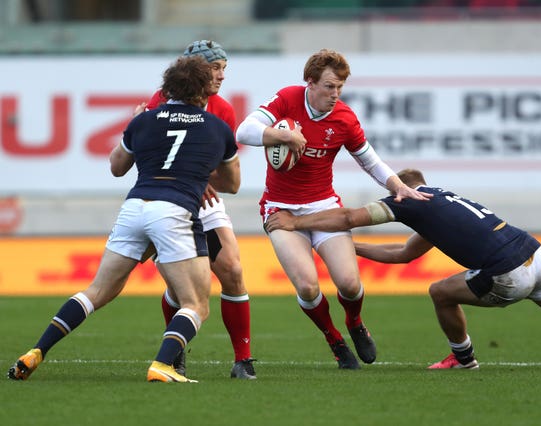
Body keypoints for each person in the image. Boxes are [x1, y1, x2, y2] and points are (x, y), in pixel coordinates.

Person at [7, 55, 241, 383]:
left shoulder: (142, 121)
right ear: (204, 92)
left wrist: (133, 125)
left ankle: (37, 350)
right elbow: (231, 185)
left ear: (168, 87)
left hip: (135, 208)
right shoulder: (218, 128)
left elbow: (117, 167)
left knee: (97, 290)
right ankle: (162, 365)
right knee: (197, 304)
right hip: (174, 211)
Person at [264, 168, 541, 369]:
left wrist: (298, 225)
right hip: (534, 252)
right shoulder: (442, 199)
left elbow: (349, 215)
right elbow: (404, 254)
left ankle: (464, 360)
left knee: (440, 293)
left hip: (506, 270)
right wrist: (348, 249)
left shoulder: (410, 202)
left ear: (403, 190)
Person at [235, 49, 431, 369]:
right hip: (281, 210)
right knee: (308, 286)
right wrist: (284, 136)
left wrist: (398, 186)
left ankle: (354, 321)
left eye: (339, 87)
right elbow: (243, 131)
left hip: (324, 208)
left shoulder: (344, 117)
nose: (335, 94)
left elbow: (369, 161)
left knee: (350, 284)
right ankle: (335, 340)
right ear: (310, 83)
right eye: (329, 86)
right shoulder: (287, 99)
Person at [143, 40, 256, 380]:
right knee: (182, 290)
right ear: (196, 70)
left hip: (204, 201)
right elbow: (148, 156)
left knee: (233, 271)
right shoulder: (159, 102)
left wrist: (203, 177)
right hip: (167, 199)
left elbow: (224, 168)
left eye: (225, 68)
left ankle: (243, 360)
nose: (222, 75)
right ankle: (174, 354)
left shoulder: (222, 108)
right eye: (216, 68)